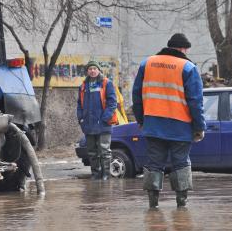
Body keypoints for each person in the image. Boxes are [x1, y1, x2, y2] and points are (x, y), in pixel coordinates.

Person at [132, 33, 206, 208]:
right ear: (183, 49)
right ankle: (181, 204)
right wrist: (199, 127)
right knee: (180, 163)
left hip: (153, 125)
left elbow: (136, 96)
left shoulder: (146, 64)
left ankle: (153, 204)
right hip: (180, 127)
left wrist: (141, 120)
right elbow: (196, 101)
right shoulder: (188, 67)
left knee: (154, 164)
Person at [77, 60, 117, 180]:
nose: (92, 71)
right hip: (88, 124)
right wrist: (81, 118)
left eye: (95, 68)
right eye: (90, 69)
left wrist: (104, 118)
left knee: (104, 151)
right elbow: (79, 104)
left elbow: (112, 103)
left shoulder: (106, 83)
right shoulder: (83, 86)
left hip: (103, 124)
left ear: (99, 70)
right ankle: (95, 174)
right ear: (87, 71)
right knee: (92, 152)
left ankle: (106, 174)